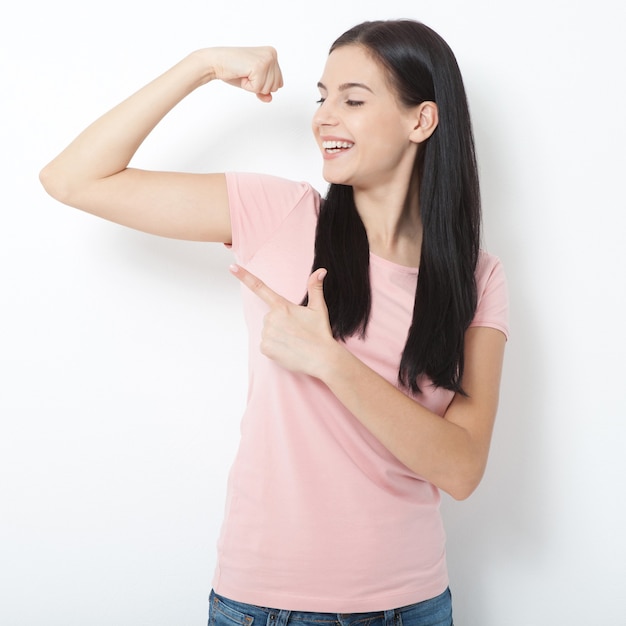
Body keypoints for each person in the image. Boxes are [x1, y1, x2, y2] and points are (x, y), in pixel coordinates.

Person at [40, 19, 508, 626]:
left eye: (353, 99)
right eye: (322, 97)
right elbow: (72, 178)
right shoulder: (282, 215)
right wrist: (201, 64)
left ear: (422, 120)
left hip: (416, 603)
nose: (324, 117)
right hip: (269, 605)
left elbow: (462, 467)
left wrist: (331, 363)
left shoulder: (477, 277)